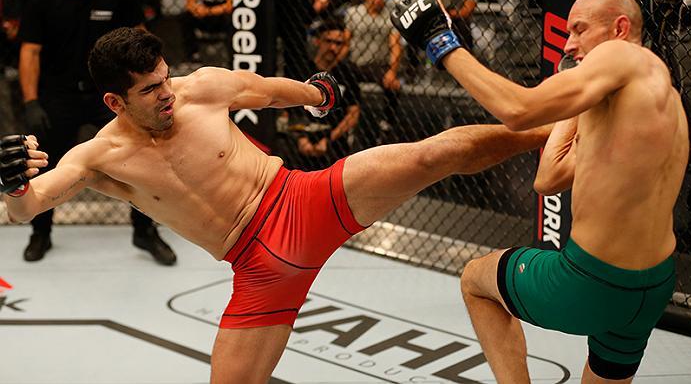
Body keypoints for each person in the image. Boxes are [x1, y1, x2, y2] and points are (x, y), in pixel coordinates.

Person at [1, 26, 550, 383]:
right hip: (258, 272)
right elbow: (30, 208)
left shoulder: (202, 87)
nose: (167, 94)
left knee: (435, 154)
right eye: (149, 91)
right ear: (115, 101)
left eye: (165, 79)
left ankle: (548, 129)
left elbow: (264, 89)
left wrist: (318, 95)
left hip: (302, 200)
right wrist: (15, 187)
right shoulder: (98, 155)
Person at [391, 0, 689, 382]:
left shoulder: (622, 56)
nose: (569, 45)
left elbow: (518, 110)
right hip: (651, 290)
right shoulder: (658, 104)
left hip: (590, 281)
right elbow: (549, 178)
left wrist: (441, 42)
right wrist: (576, 103)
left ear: (620, 28)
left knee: (476, 280)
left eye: (580, 30)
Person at [16, 0, 175, 264]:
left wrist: (150, 92)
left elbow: (142, 42)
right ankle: (40, 232)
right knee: (47, 161)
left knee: (141, 157)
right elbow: (30, 53)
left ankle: (145, 231)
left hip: (112, 97)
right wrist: (31, 102)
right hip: (59, 95)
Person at [292, 16, 361, 169]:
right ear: (317, 41)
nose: (333, 48)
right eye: (328, 41)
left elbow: (354, 114)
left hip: (333, 140)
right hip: (301, 135)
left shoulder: (347, 73)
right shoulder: (302, 69)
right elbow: (288, 109)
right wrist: (301, 138)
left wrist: (329, 139)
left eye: (338, 44)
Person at [344, 0, 402, 144]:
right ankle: (348, 121)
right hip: (356, 64)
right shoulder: (354, 13)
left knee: (394, 86)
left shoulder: (391, 15)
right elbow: (346, 42)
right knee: (344, 78)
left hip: (378, 65)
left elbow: (395, 44)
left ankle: (387, 124)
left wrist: (392, 72)